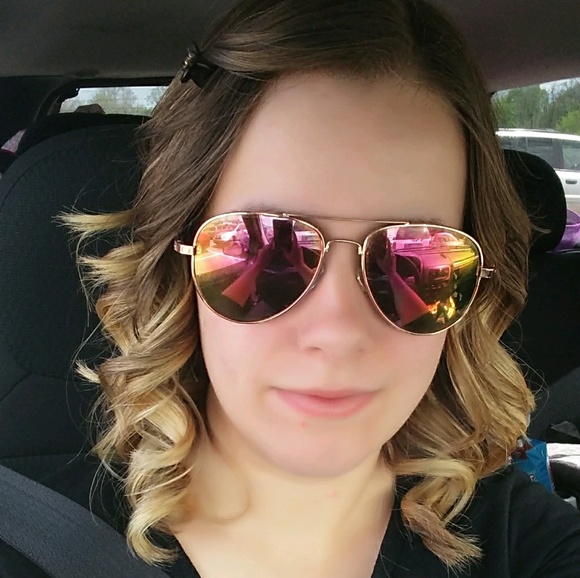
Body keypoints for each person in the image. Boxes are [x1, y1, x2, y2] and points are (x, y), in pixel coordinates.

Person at [3, 0, 580, 576]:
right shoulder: (26, 543)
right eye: (265, 250)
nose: (338, 331)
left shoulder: (529, 545)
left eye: (415, 259)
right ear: (180, 265)